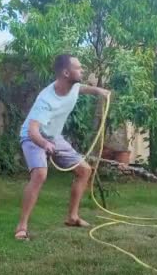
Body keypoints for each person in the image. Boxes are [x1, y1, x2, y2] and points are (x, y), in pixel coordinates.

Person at [15, 54, 110, 240]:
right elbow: (33, 131)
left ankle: (72, 217)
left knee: (84, 170)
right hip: (33, 137)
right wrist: (44, 144)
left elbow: (81, 89)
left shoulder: (72, 86)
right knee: (40, 174)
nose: (82, 70)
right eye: (78, 67)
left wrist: (99, 91)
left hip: (53, 136)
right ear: (66, 72)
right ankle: (22, 226)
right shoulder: (46, 100)